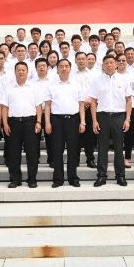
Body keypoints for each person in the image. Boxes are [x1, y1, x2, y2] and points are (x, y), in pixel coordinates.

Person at [88, 55, 132, 187]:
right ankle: (101, 176)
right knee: (102, 148)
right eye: (106, 63)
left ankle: (120, 176)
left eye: (111, 62)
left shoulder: (124, 79)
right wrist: (94, 120)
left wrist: (127, 119)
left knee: (119, 148)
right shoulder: (97, 80)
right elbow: (93, 102)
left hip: (119, 116)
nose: (109, 65)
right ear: (102, 65)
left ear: (116, 64)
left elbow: (128, 100)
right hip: (102, 116)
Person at [0, 62, 43, 188]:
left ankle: (32, 179)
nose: (21, 72)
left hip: (31, 122)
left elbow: (38, 106)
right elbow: (4, 107)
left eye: (23, 70)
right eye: (18, 70)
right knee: (13, 153)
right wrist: (5, 123)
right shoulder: (8, 87)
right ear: (15, 72)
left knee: (32, 153)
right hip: (13, 123)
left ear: (27, 72)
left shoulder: (34, 87)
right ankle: (15, 179)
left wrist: (39, 121)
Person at [45, 59, 87, 188]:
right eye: (61, 66)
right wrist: (47, 122)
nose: (64, 68)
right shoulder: (51, 85)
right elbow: (47, 105)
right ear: (57, 69)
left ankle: (73, 178)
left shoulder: (76, 84)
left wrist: (83, 122)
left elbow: (81, 104)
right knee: (57, 149)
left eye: (66, 66)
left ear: (70, 68)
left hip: (73, 120)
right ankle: (58, 179)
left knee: (73, 150)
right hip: (56, 120)